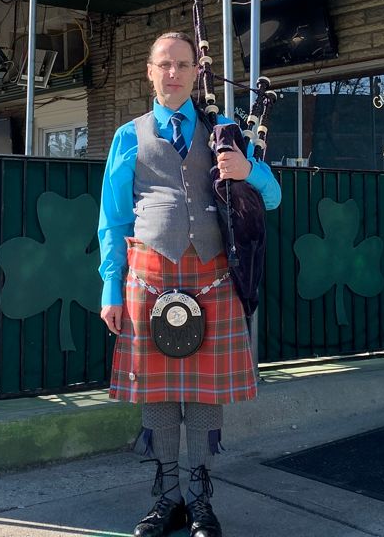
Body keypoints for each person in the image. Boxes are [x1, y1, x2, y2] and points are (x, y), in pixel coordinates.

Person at [98, 31, 282, 537]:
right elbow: (111, 219)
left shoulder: (223, 129)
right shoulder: (128, 136)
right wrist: (110, 287)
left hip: (212, 274)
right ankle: (168, 499)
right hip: (148, 276)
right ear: (150, 72)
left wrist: (250, 170)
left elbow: (272, 196)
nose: (173, 73)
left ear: (196, 73)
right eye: (164, 64)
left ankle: (200, 499)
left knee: (202, 397)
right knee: (156, 396)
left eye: (183, 64)